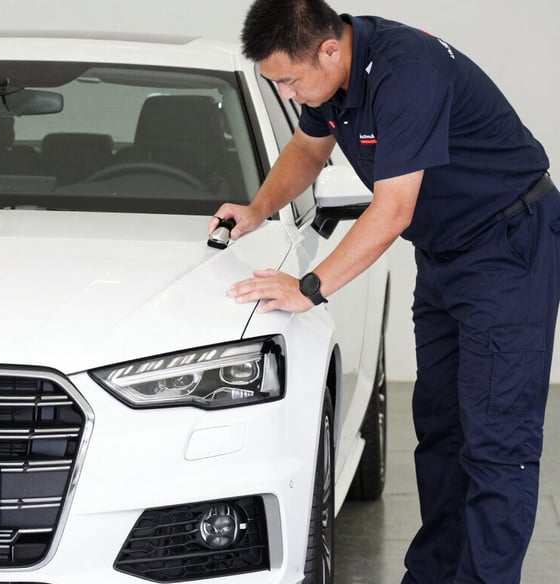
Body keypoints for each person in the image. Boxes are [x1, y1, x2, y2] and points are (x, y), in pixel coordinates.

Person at [209, 0, 560, 582]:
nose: (291, 94)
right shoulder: (333, 81)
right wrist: (256, 209)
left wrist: (309, 288)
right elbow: (306, 151)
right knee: (441, 429)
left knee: (496, 440)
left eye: (291, 81)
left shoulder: (406, 72)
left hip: (508, 245)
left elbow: (393, 210)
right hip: (447, 252)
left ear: (328, 49)